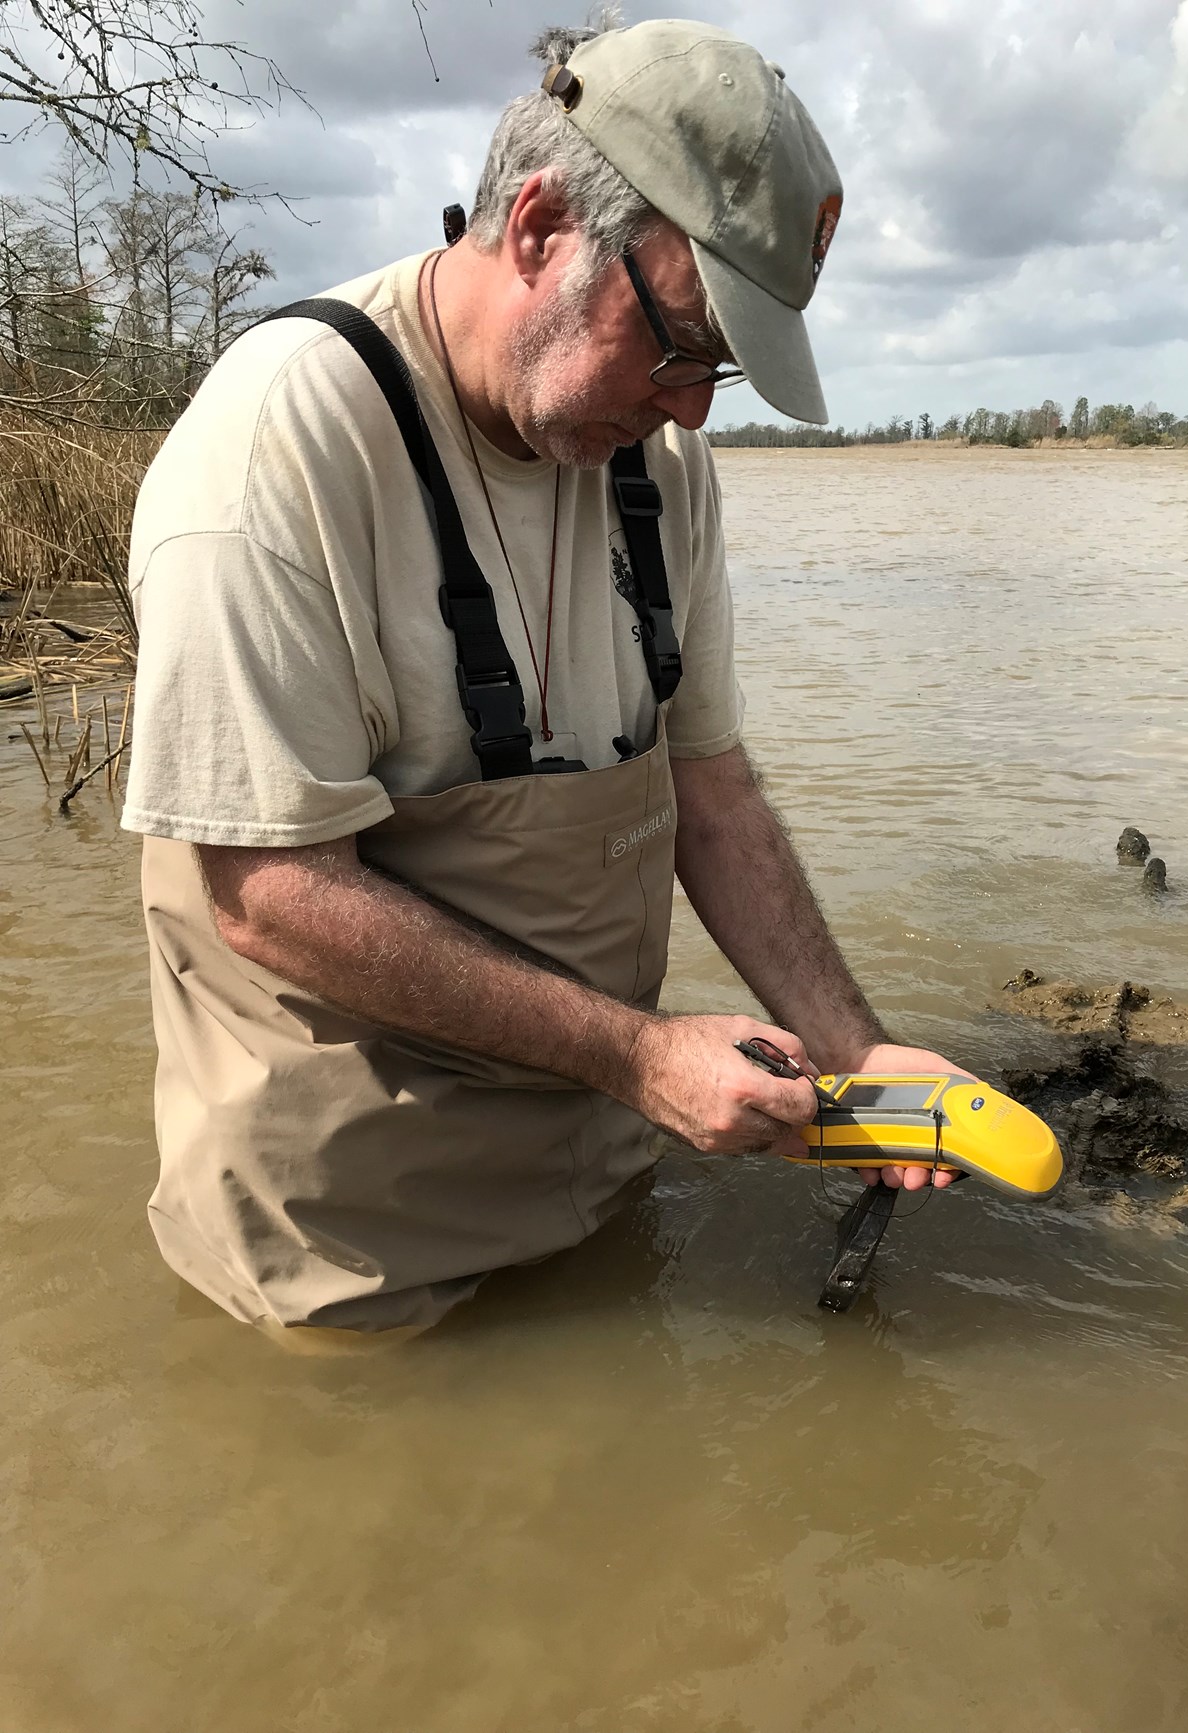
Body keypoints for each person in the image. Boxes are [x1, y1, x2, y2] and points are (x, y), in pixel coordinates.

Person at [122, 16, 961, 1336]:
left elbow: (713, 789)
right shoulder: (273, 454)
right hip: (351, 1253)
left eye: (723, 367)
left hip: (603, 1166)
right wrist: (636, 1053)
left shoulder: (662, 463)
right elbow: (266, 892)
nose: (695, 408)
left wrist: (856, 1048)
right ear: (537, 228)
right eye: (684, 341)